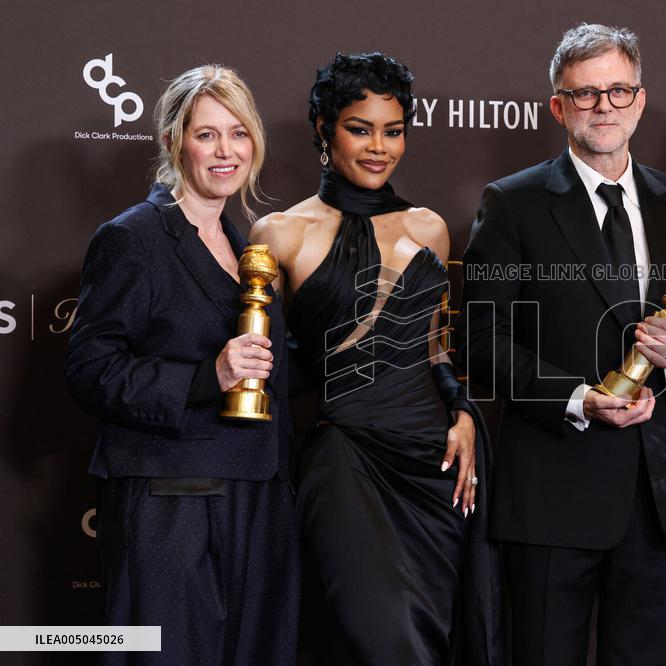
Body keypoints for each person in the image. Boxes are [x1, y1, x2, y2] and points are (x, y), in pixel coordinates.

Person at [458, 23, 666, 665]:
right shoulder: (512, 203)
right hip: (552, 488)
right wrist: (576, 397)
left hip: (651, 492)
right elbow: (480, 341)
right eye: (585, 95)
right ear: (557, 106)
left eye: (618, 91)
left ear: (640, 100)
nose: (604, 106)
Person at [249, 52, 499, 665]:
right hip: (345, 460)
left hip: (431, 462)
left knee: (432, 635)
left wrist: (462, 411)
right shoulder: (280, 234)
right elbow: (269, 367)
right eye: (360, 129)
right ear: (323, 130)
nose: (379, 147)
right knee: (388, 640)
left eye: (393, 131)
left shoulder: (429, 228)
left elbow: (436, 344)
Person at [65, 65, 299, 664]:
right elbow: (90, 367)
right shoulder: (133, 238)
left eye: (239, 133)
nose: (227, 151)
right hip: (171, 501)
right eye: (207, 135)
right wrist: (206, 377)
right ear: (174, 141)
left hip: (257, 496)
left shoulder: (250, 245)